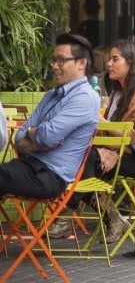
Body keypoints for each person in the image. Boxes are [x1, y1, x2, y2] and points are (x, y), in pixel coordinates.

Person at [50, 39, 135, 241]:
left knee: (85, 162)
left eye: (115, 59)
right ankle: (110, 218)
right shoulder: (119, 91)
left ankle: (67, 215)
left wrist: (100, 120)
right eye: (109, 59)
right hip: (125, 154)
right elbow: (116, 132)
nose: (108, 64)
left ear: (131, 63)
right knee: (83, 163)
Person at [0, 33, 99, 201]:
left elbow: (47, 136)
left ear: (82, 63)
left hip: (49, 177)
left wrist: (41, 137)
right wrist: (39, 136)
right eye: (54, 60)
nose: (54, 66)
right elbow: (20, 138)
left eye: (61, 60)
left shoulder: (86, 98)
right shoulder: (51, 95)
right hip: (27, 166)